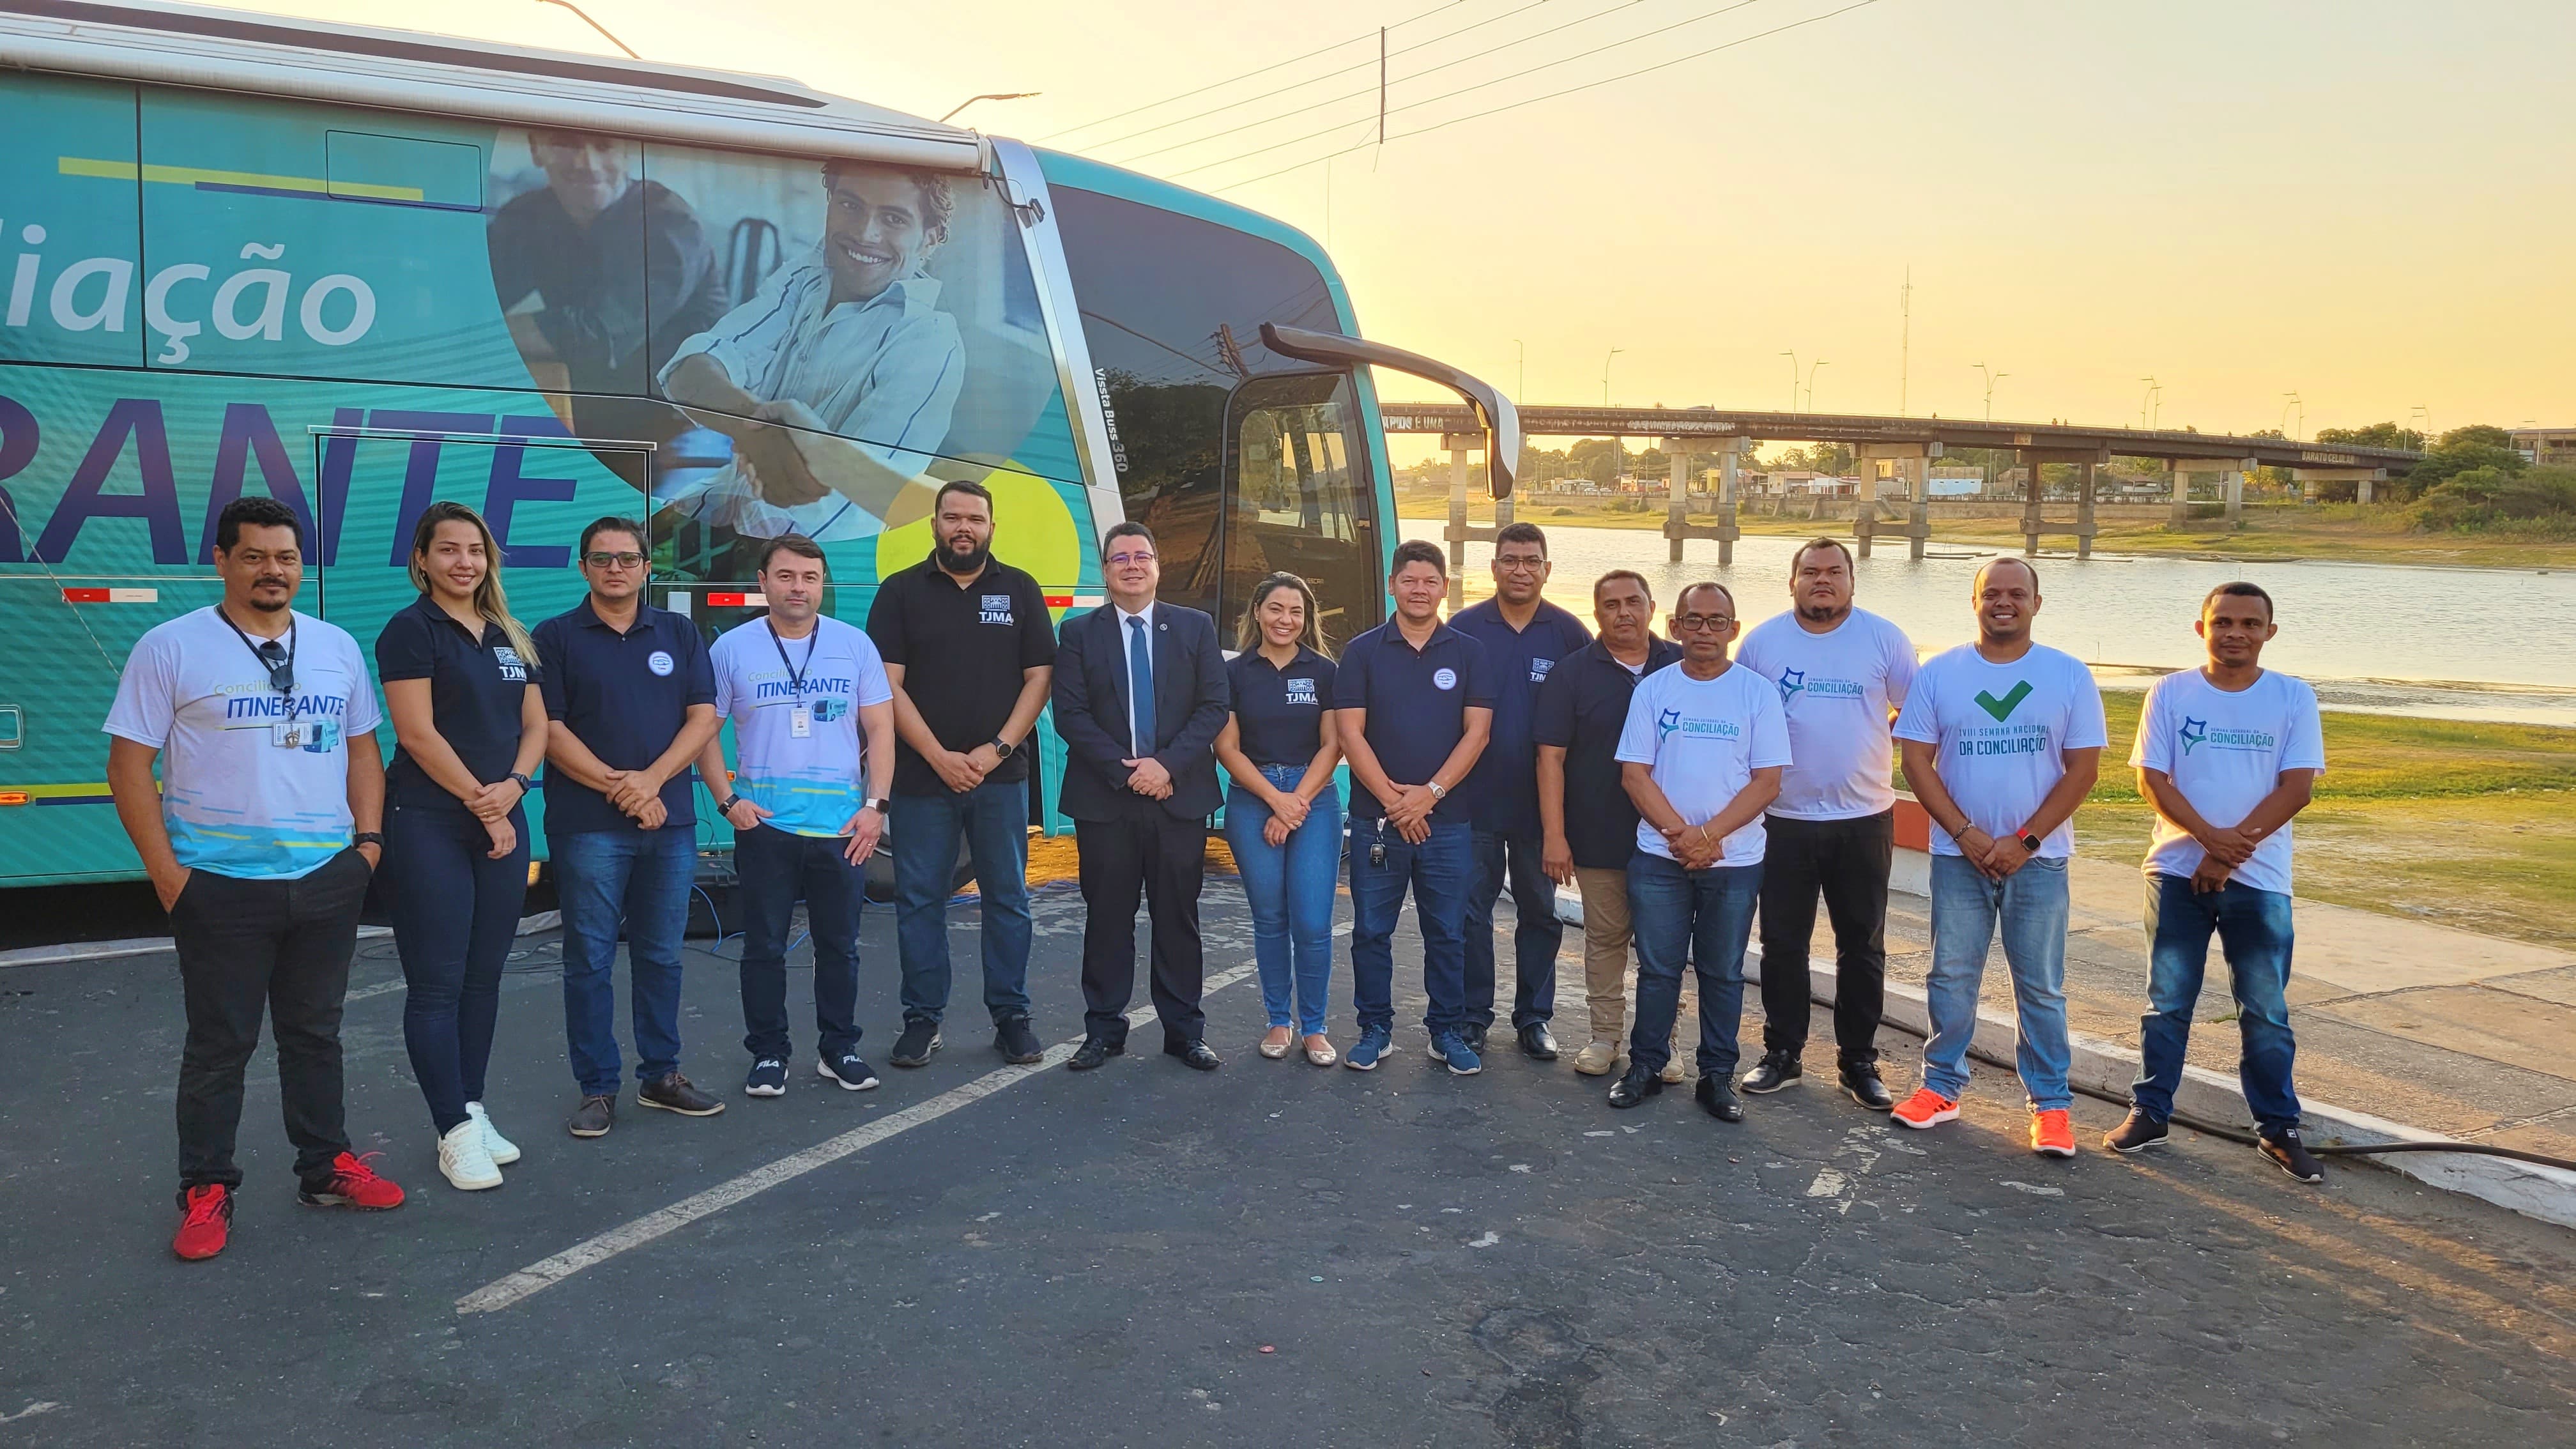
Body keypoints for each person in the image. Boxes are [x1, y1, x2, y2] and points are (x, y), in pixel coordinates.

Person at [105, 496, 403, 1262]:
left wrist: (366, 847)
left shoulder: (336, 647)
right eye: (255, 556)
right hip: (219, 884)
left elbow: (364, 750)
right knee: (220, 1046)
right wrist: (169, 876)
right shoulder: (171, 647)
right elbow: (129, 766)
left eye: (286, 558)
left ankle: (325, 1167)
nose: (273, 571)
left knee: (316, 1034)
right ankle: (208, 1189)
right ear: (222, 561)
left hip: (326, 877)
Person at [2108, 583, 2328, 1183]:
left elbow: (2297, 787)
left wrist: (2230, 853)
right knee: (2168, 1001)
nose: (2236, 633)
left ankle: (2278, 1128)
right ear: (2201, 628)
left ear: (2269, 633)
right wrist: (2208, 842)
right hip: (2176, 873)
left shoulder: (2292, 698)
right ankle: (2150, 1112)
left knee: (2264, 1010)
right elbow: (2151, 779)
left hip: (2260, 882)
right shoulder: (2171, 692)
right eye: (2223, 621)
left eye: (2250, 624)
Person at [1889, 558, 2106, 1158]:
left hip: (2040, 860)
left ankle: (2051, 1105)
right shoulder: (1940, 674)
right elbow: (1915, 763)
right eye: (1992, 593)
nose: (2003, 602)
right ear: (1975, 599)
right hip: (1959, 857)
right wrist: (1966, 835)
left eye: (2017, 593)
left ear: (2038, 602)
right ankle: (1941, 1088)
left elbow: (2083, 770)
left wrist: (2025, 839)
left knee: (2039, 985)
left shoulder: (2068, 676)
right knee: (1951, 975)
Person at [659, 159, 965, 552]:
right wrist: (755, 426)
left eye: (893, 219)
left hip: (810, 560)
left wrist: (770, 440)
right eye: (850, 206)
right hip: (726, 514)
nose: (864, 233)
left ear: (930, 239)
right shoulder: (806, 277)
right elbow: (691, 369)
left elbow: (877, 497)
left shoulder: (928, 340)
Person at [376, 502, 548, 1192]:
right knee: (438, 982)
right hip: (428, 822)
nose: (463, 563)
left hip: (501, 812)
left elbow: (535, 725)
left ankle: (472, 1111)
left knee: (484, 976)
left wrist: (513, 787)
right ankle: (449, 1129)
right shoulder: (411, 631)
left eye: (474, 551)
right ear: (422, 561)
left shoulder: (509, 633)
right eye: (447, 550)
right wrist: (488, 804)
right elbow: (417, 734)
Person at [535, 518, 723, 1138]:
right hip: (588, 825)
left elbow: (702, 718)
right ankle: (597, 1088)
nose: (615, 568)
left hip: (668, 824)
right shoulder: (555, 637)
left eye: (627, 558)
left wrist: (652, 781)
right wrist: (625, 788)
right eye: (602, 558)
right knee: (588, 957)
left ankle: (662, 1077)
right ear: (583, 566)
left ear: (647, 567)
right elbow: (551, 733)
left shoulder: (679, 632)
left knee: (662, 954)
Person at [694, 535, 896, 1098]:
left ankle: (840, 1049)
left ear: (821, 584)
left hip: (842, 830)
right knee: (762, 946)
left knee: (841, 946)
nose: (798, 588)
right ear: (762, 583)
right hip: (766, 827)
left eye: (809, 577)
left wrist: (875, 807)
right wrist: (727, 801)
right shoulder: (730, 650)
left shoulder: (854, 646)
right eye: (785, 576)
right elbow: (702, 730)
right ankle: (768, 1054)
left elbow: (881, 728)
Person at [866, 480, 1057, 1069]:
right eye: (953, 517)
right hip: (923, 782)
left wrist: (996, 750)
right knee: (920, 901)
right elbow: (886, 686)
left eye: (975, 518)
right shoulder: (900, 593)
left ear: (992, 527)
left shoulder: (1021, 589)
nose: (963, 528)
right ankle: (923, 1020)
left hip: (1000, 779)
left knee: (1008, 900)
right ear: (935, 525)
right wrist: (939, 757)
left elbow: (1039, 679)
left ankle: (1011, 1018)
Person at [1733, 538, 1917, 1110]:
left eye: (1834, 572)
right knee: (1782, 943)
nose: (1822, 581)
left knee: (1861, 946)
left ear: (1851, 582)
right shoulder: (1763, 643)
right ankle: (1782, 1054)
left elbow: (1915, 712)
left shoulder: (1884, 639)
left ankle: (1857, 1063)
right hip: (1782, 820)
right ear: (1792, 581)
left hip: (1863, 818)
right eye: (1810, 572)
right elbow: (1742, 718)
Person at [1607, 583, 1790, 1122]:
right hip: (1659, 858)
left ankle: (1716, 1076)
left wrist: (1708, 837)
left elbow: (1767, 782)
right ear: (1675, 628)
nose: (1705, 631)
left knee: (1722, 972)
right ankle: (1645, 1066)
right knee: (1658, 970)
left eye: (1717, 621)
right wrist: (1679, 835)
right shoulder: (1654, 690)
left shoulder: (1757, 694)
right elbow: (1634, 774)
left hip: (1734, 863)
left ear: (1734, 629)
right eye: (1694, 620)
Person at [1053, 522, 1231, 1073]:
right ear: (1106, 572)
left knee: (1178, 917)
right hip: (1107, 799)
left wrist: (1165, 765)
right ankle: (1104, 1030)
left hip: (1178, 795)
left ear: (1158, 567)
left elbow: (1213, 707)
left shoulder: (1195, 627)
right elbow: (1071, 715)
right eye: (1119, 558)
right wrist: (1129, 772)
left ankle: (1184, 1032)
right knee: (1107, 917)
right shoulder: (1079, 633)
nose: (1132, 565)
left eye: (1142, 556)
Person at [1334, 540, 1495, 1075]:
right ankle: (1374, 1028)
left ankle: (1446, 1031)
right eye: (1409, 580)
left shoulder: (1470, 652)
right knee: (1371, 932)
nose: (1419, 590)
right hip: (1376, 820)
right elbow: (1349, 733)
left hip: (1449, 822)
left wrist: (1430, 795)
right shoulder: (1361, 651)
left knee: (1448, 932)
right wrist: (1392, 800)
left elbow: (1478, 734)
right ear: (1392, 585)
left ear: (1444, 588)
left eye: (1430, 581)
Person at [486, 128, 729, 478]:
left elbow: (596, 334)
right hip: (587, 410)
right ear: (537, 151)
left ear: (627, 153)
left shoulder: (669, 224)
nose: (588, 163)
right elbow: (472, 298)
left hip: (677, 427)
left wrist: (483, 333)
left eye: (604, 147)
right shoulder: (528, 216)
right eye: (566, 144)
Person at [1449, 522, 1592, 1062]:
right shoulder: (1463, 629)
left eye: (1532, 561)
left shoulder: (1569, 633)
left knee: (1540, 914)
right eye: (1510, 560)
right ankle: (1472, 1016)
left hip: (1543, 812)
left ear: (1547, 569)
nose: (1521, 570)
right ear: (1494, 568)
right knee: (1472, 914)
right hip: (1474, 802)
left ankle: (1534, 1018)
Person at [1535, 569, 1683, 1080]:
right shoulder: (1573, 673)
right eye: (1612, 605)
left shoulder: (1684, 665)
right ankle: (1605, 1037)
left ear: (1650, 607)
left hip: (1672, 839)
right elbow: (1550, 760)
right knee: (1605, 940)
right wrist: (1555, 835)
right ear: (1596, 614)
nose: (1624, 613)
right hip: (1598, 832)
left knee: (1664, 947)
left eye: (1633, 602)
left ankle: (1665, 1042)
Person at [1215, 572, 1345, 1066]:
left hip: (1314, 800)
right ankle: (1279, 1020)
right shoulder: (1234, 673)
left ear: (1307, 618)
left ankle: (1314, 1026)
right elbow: (1226, 747)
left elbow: (1333, 745)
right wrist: (1275, 800)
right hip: (1253, 799)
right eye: (1275, 609)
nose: (1285, 620)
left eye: (1295, 611)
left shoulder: (1326, 672)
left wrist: (1294, 805)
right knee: (1270, 919)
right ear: (1257, 614)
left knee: (1312, 922)